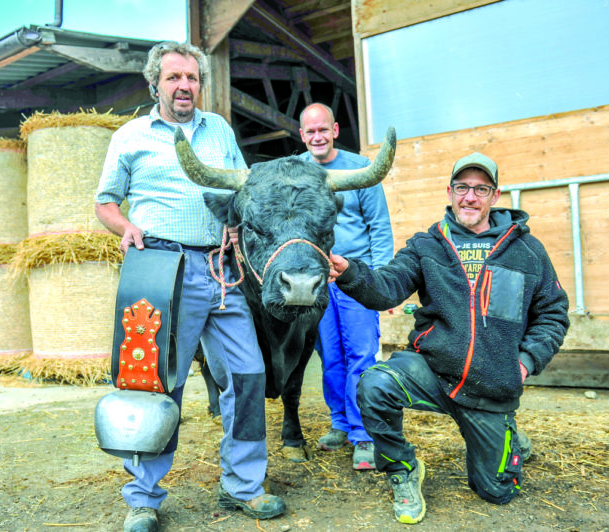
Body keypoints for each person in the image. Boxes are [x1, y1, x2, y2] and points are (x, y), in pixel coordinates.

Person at [95, 41, 285, 532]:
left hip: (221, 267)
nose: (184, 86)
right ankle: (143, 498)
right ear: (154, 82)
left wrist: (238, 223)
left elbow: (239, 187)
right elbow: (105, 203)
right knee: (158, 382)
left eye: (192, 78)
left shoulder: (218, 129)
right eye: (174, 77)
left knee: (247, 374)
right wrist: (125, 228)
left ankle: (243, 485)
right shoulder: (131, 135)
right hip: (160, 268)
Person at [327, 152, 570, 524]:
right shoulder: (428, 245)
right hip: (433, 371)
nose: (470, 197)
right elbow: (387, 288)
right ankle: (403, 470)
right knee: (374, 384)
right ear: (450, 191)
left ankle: (508, 437)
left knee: (498, 492)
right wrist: (350, 273)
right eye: (462, 188)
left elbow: (552, 313)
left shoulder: (526, 251)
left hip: (491, 385)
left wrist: (525, 361)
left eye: (480, 189)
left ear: (495, 195)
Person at [298, 103, 394, 470]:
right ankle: (340, 422)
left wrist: (381, 283)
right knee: (330, 356)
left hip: (355, 277)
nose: (317, 137)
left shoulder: (361, 169)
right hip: (316, 279)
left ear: (335, 129)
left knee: (361, 356)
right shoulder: (297, 170)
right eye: (310, 132)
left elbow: (380, 228)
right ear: (302, 136)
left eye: (323, 130)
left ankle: (364, 433)